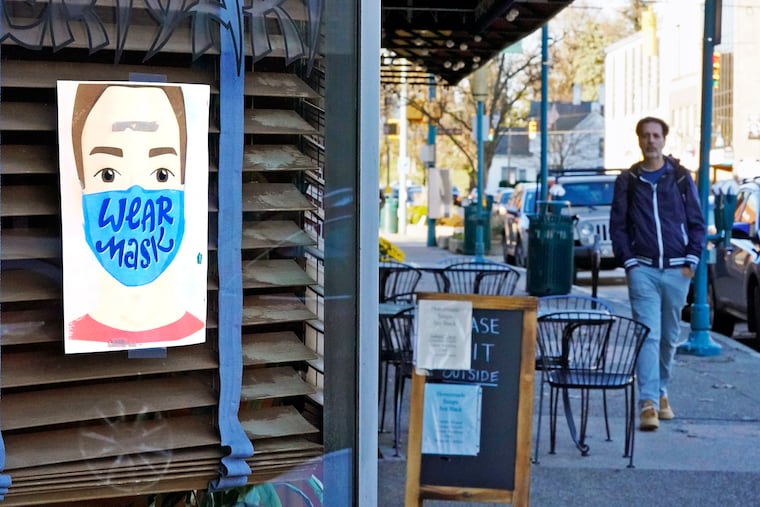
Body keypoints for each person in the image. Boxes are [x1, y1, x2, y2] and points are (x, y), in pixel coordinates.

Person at [65, 83, 205, 349]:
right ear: (80, 186)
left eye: (162, 174)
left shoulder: (197, 337)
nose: (136, 197)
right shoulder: (75, 335)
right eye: (108, 174)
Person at [609, 116, 706, 431]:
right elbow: (619, 226)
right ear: (639, 141)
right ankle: (647, 403)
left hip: (677, 269)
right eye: (645, 136)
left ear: (664, 140)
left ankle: (662, 390)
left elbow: (697, 222)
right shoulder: (629, 180)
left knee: (668, 337)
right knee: (648, 335)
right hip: (644, 270)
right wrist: (630, 263)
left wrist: (691, 260)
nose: (651, 141)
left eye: (656, 135)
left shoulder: (678, 178)